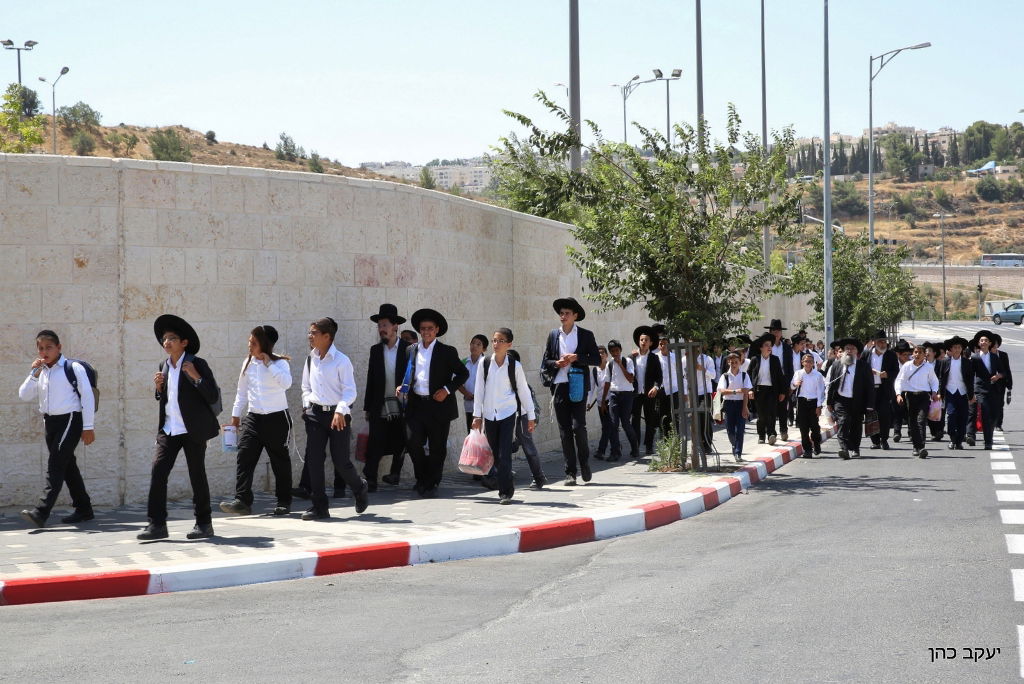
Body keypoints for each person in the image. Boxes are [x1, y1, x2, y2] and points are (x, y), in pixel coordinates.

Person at [138, 315, 221, 540]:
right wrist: (158, 388)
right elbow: (165, 398)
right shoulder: (162, 366)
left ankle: (204, 524)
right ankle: (156, 525)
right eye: (164, 339)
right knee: (158, 471)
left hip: (192, 430)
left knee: (197, 475)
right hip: (169, 429)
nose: (167, 342)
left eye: (172, 338)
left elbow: (212, 395)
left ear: (184, 342)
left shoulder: (197, 363)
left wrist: (196, 377)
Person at [18, 330, 97, 529]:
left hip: (70, 419)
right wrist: (33, 374)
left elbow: (87, 396)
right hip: (50, 422)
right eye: (41, 348)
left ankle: (41, 512)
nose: (45, 352)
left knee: (55, 464)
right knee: (68, 465)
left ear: (59, 348)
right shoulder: (41, 371)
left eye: (49, 347)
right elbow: (23, 395)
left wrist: (88, 427)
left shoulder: (73, 367)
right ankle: (84, 509)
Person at [220, 325, 293, 517]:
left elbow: (286, 384)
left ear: (265, 344)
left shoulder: (280, 364)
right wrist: (235, 418)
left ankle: (284, 501)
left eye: (253, 342)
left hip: (277, 418)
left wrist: (269, 363)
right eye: (249, 341)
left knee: (280, 461)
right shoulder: (248, 363)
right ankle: (242, 500)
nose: (249, 345)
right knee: (244, 457)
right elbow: (241, 393)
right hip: (253, 418)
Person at [299, 317, 369, 520]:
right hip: (315, 416)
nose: (309, 336)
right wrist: (306, 406)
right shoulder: (310, 359)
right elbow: (306, 387)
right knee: (314, 461)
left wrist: (340, 410)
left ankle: (359, 487)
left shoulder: (342, 361)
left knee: (341, 461)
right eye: (310, 332)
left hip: (338, 415)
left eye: (313, 332)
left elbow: (350, 392)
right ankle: (319, 506)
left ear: (327, 336)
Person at [400, 308, 469, 497]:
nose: (426, 332)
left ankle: (431, 482)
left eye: (430, 328)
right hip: (416, 405)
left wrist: (447, 390)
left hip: (438, 406)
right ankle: (422, 478)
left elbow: (463, 373)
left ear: (437, 330)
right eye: (423, 329)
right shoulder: (410, 350)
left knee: (437, 446)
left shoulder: (446, 351)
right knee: (413, 442)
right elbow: (408, 373)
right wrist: (402, 386)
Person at [541, 297, 601, 486]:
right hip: (559, 385)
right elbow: (546, 362)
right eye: (561, 313)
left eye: (567, 313)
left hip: (578, 384)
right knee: (564, 431)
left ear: (575, 316)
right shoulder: (553, 335)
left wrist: (577, 357)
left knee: (578, 427)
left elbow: (596, 360)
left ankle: (584, 463)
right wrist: (556, 363)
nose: (563, 316)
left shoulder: (585, 335)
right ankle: (570, 472)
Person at [471, 328, 536, 504]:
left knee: (504, 452)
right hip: (490, 415)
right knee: (496, 454)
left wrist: (531, 416)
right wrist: (477, 415)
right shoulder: (484, 363)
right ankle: (508, 483)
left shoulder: (515, 366)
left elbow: (523, 391)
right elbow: (479, 390)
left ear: (509, 344)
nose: (496, 344)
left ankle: (504, 492)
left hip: (508, 413)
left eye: (500, 341)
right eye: (494, 340)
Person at [362, 304, 410, 491]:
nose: (381, 329)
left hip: (401, 404)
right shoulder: (375, 350)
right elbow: (370, 379)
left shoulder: (408, 349)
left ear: (395, 326)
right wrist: (367, 407)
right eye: (379, 325)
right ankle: (371, 479)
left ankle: (395, 473)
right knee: (375, 442)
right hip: (380, 404)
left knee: (401, 440)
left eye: (385, 325)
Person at [825, 338, 874, 460]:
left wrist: (870, 404)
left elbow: (869, 386)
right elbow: (832, 384)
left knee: (856, 426)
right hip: (841, 400)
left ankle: (855, 448)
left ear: (857, 352)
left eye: (852, 349)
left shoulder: (863, 366)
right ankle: (844, 449)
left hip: (857, 401)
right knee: (843, 422)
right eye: (847, 348)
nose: (849, 351)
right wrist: (829, 402)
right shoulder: (837, 365)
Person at [507, 349, 548, 489]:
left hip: (522, 416)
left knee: (528, 447)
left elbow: (528, 402)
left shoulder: (520, 379)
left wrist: (531, 419)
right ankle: (504, 476)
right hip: (505, 416)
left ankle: (539, 477)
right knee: (503, 447)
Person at [894, 344, 941, 458]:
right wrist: (898, 394)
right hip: (910, 396)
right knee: (913, 422)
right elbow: (899, 380)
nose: (917, 354)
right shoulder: (907, 366)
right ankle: (916, 446)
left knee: (921, 420)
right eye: (915, 352)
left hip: (924, 396)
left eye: (920, 352)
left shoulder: (928, 367)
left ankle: (921, 447)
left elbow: (934, 381)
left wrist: (934, 392)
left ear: (924, 354)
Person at [970, 330, 1010, 450]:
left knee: (993, 415)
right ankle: (988, 441)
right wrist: (971, 391)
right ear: (979, 343)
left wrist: (998, 376)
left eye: (986, 340)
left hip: (994, 390)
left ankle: (989, 437)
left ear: (990, 343)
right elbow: (970, 374)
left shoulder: (994, 357)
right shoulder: (975, 358)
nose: (984, 342)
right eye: (982, 340)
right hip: (980, 389)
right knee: (985, 414)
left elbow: (1004, 372)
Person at [602, 340, 639, 462]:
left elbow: (630, 379)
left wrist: (620, 365)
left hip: (627, 395)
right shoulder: (609, 365)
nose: (615, 354)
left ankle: (635, 447)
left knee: (626, 423)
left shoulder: (627, 361)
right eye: (612, 352)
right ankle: (615, 452)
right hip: (614, 395)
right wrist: (603, 400)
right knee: (613, 424)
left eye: (617, 351)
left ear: (620, 350)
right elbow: (607, 382)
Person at [862, 330, 899, 451]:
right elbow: (860, 369)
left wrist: (886, 374)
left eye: (884, 342)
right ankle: (875, 441)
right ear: (874, 342)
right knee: (871, 416)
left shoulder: (891, 355)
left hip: (884, 390)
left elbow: (896, 372)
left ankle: (884, 440)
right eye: (880, 342)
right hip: (870, 390)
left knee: (884, 416)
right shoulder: (866, 354)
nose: (883, 344)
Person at [936, 335, 973, 450]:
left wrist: (972, 395)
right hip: (950, 392)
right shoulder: (945, 362)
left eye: (959, 347)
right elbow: (941, 379)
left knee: (963, 417)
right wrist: (939, 393)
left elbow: (970, 380)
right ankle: (952, 439)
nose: (957, 349)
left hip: (963, 393)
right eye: (955, 347)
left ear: (962, 349)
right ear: (951, 349)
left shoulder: (967, 362)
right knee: (951, 416)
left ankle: (959, 441)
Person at [747, 334, 786, 445]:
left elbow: (780, 376)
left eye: (770, 345)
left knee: (771, 413)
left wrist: (782, 392)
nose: (769, 347)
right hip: (759, 390)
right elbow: (749, 376)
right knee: (761, 415)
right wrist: (750, 389)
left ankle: (771, 434)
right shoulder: (755, 359)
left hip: (772, 390)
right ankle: (761, 435)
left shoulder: (775, 360)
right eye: (766, 345)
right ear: (761, 347)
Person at [630, 325, 663, 456]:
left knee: (650, 420)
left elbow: (659, 377)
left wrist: (655, 387)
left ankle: (649, 446)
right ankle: (635, 447)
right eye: (641, 340)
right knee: (635, 420)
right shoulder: (631, 357)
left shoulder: (654, 358)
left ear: (651, 343)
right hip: (635, 394)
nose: (643, 342)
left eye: (646, 340)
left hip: (649, 393)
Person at [716, 352, 751, 460]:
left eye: (736, 362)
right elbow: (722, 391)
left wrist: (745, 407)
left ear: (740, 362)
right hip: (729, 404)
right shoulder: (725, 376)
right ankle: (734, 444)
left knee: (740, 429)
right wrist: (736, 391)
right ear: (728, 363)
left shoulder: (744, 375)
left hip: (741, 403)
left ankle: (738, 452)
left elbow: (745, 392)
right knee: (730, 430)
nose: (734, 364)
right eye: (732, 362)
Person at [791, 351, 826, 457]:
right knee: (803, 427)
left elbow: (820, 391)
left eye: (810, 362)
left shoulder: (818, 375)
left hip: (814, 402)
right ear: (802, 362)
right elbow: (792, 386)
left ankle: (816, 444)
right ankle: (807, 449)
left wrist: (819, 406)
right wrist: (795, 384)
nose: (808, 363)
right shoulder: (798, 373)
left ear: (813, 363)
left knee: (814, 427)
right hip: (802, 402)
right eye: (806, 361)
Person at [459, 334, 488, 432]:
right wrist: (466, 393)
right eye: (472, 343)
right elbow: (456, 381)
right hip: (469, 405)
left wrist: (478, 396)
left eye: (478, 344)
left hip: (485, 407)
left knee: (484, 436)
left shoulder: (487, 363)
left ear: (484, 349)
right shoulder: (463, 362)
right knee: (471, 434)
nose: (474, 346)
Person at [591, 346, 615, 460]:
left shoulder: (610, 367)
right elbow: (591, 388)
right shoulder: (595, 370)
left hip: (610, 401)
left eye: (602, 353)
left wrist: (605, 402)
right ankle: (616, 447)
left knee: (608, 426)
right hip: (600, 402)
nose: (600, 355)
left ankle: (602, 450)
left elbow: (608, 384)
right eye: (598, 353)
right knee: (606, 427)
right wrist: (588, 403)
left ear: (606, 355)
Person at [656, 336, 680, 437]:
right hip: (661, 390)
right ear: (658, 346)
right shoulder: (655, 357)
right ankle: (666, 439)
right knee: (663, 416)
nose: (663, 346)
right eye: (661, 344)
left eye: (665, 343)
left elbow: (681, 374)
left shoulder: (674, 357)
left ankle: (677, 438)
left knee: (675, 415)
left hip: (674, 390)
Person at [891, 340, 913, 442]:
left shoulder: (912, 363)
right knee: (897, 412)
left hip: (910, 390)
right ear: (898, 354)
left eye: (909, 354)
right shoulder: (893, 363)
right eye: (904, 355)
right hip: (897, 391)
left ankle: (911, 432)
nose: (907, 357)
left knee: (910, 412)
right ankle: (897, 432)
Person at [991, 335, 1013, 431]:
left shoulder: (1003, 355)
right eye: (992, 343)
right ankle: (989, 423)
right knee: (988, 404)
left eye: (996, 343)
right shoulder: (984, 355)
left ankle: (998, 424)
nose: (994, 345)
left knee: (1000, 404)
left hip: (1000, 383)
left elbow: (1007, 370)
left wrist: (1009, 385)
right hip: (988, 383)